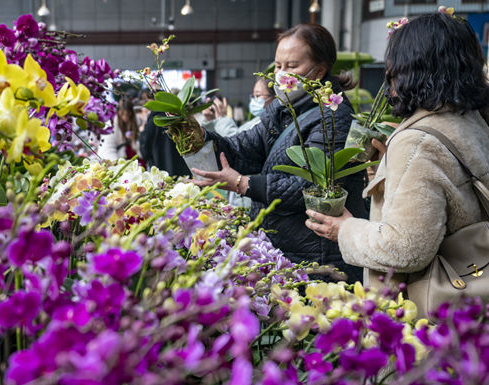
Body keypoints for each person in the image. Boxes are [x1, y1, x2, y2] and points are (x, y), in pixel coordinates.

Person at [305, 12, 489, 312]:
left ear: (410, 68)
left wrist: (345, 230)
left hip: (426, 313)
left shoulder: (417, 142)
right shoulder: (473, 120)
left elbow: (404, 248)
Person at [188, 23, 368, 281]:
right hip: (286, 250)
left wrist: (242, 184)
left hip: (318, 258)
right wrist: (198, 134)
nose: (281, 74)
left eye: (292, 66)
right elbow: (241, 149)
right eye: (278, 65)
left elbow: (306, 187)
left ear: (319, 71)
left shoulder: (334, 119)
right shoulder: (282, 111)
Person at [201, 79, 276, 209]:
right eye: (253, 96)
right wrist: (210, 121)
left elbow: (235, 146)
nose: (253, 100)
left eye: (258, 96)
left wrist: (222, 119)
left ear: (275, 98)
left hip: (251, 196)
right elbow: (222, 143)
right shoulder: (260, 120)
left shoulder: (267, 124)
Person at [98, 98, 141, 162]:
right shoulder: (112, 124)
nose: (125, 117)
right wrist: (116, 163)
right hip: (118, 156)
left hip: (133, 154)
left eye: (127, 114)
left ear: (131, 113)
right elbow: (108, 147)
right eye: (122, 114)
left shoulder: (137, 121)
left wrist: (134, 138)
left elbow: (140, 143)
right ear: (118, 112)